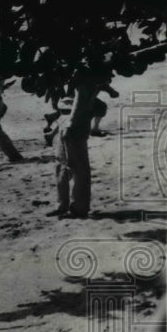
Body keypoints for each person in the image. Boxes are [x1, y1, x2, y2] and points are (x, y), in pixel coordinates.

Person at [47, 65, 113, 218]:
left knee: (78, 168)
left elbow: (83, 107)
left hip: (75, 126)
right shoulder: (72, 81)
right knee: (61, 166)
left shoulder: (86, 83)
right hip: (66, 122)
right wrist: (55, 131)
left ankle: (79, 207)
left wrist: (71, 124)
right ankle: (62, 205)